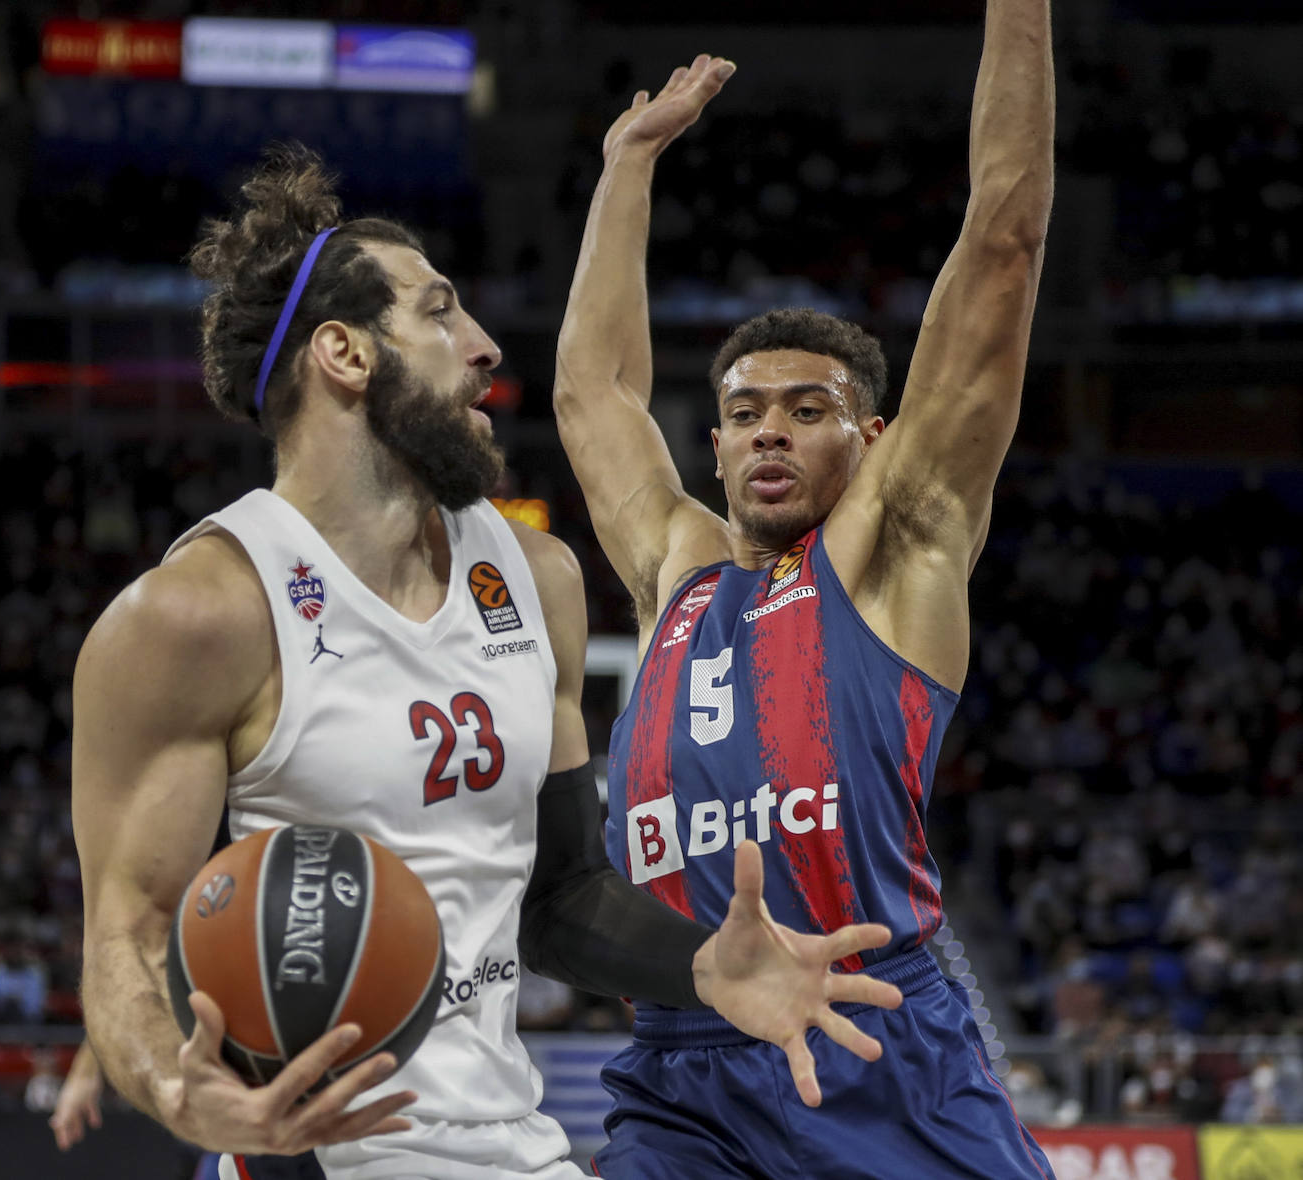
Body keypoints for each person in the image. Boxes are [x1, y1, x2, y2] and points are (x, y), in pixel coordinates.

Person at [71, 145, 904, 1180]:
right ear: (344, 352)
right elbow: (126, 939)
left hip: (517, 1150)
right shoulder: (199, 613)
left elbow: (560, 897)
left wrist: (704, 962)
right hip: (319, 1160)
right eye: (438, 313)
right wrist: (172, 1084)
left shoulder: (536, 580)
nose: (484, 347)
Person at [553, 20, 1055, 1180]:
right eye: (742, 412)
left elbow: (1005, 241)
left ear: (871, 439)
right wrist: (626, 166)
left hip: (881, 1046)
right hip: (686, 1064)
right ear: (716, 448)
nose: (768, 426)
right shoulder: (677, 570)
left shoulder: (898, 552)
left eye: (806, 408)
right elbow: (594, 390)